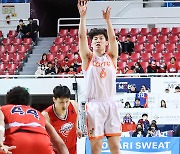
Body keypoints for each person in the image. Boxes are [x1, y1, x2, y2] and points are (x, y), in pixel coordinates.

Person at [78, 1, 121, 154]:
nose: (97, 40)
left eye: (101, 38)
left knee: (115, 148)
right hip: (94, 105)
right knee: (96, 149)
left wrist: (108, 20)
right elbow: (82, 37)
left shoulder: (112, 57)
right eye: (95, 38)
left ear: (106, 42)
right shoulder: (88, 58)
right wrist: (83, 17)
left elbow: (114, 40)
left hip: (111, 103)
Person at [0, 86, 69, 154]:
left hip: (17, 141)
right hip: (42, 143)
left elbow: (1, 123)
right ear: (28, 104)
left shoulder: (3, 109)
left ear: (8, 102)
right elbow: (59, 143)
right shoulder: (38, 114)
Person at [42, 85, 82, 154]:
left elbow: (76, 117)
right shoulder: (46, 115)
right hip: (57, 150)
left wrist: (77, 128)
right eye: (61, 102)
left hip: (72, 147)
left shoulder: (74, 105)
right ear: (54, 100)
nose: (65, 105)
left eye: (67, 101)